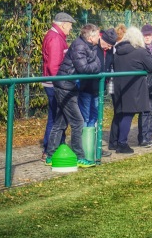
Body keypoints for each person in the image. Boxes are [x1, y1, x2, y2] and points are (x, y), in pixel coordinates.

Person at [45, 24, 101, 168]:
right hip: (65, 86)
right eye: (97, 35)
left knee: (60, 122)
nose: (99, 37)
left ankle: (50, 155)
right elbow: (85, 68)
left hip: (69, 86)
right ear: (90, 37)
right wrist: (96, 65)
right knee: (77, 121)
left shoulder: (88, 46)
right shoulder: (80, 46)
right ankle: (79, 157)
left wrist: (95, 64)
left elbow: (95, 63)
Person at [112, 27, 152, 153]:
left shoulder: (117, 51)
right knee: (128, 115)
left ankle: (114, 142)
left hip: (118, 86)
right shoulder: (140, 52)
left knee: (120, 114)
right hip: (134, 87)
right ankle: (122, 143)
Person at [41, 12, 75, 161]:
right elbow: (54, 66)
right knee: (56, 118)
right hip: (55, 84)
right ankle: (50, 149)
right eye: (70, 25)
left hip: (53, 83)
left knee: (56, 117)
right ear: (63, 24)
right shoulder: (55, 39)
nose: (71, 28)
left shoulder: (55, 36)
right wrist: (61, 85)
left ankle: (56, 146)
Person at [78, 29, 117, 128]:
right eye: (108, 45)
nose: (108, 48)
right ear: (102, 39)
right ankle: (83, 141)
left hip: (99, 87)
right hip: (87, 86)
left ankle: (91, 140)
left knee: (95, 115)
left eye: (111, 46)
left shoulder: (110, 49)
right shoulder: (92, 45)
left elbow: (109, 64)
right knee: (85, 116)